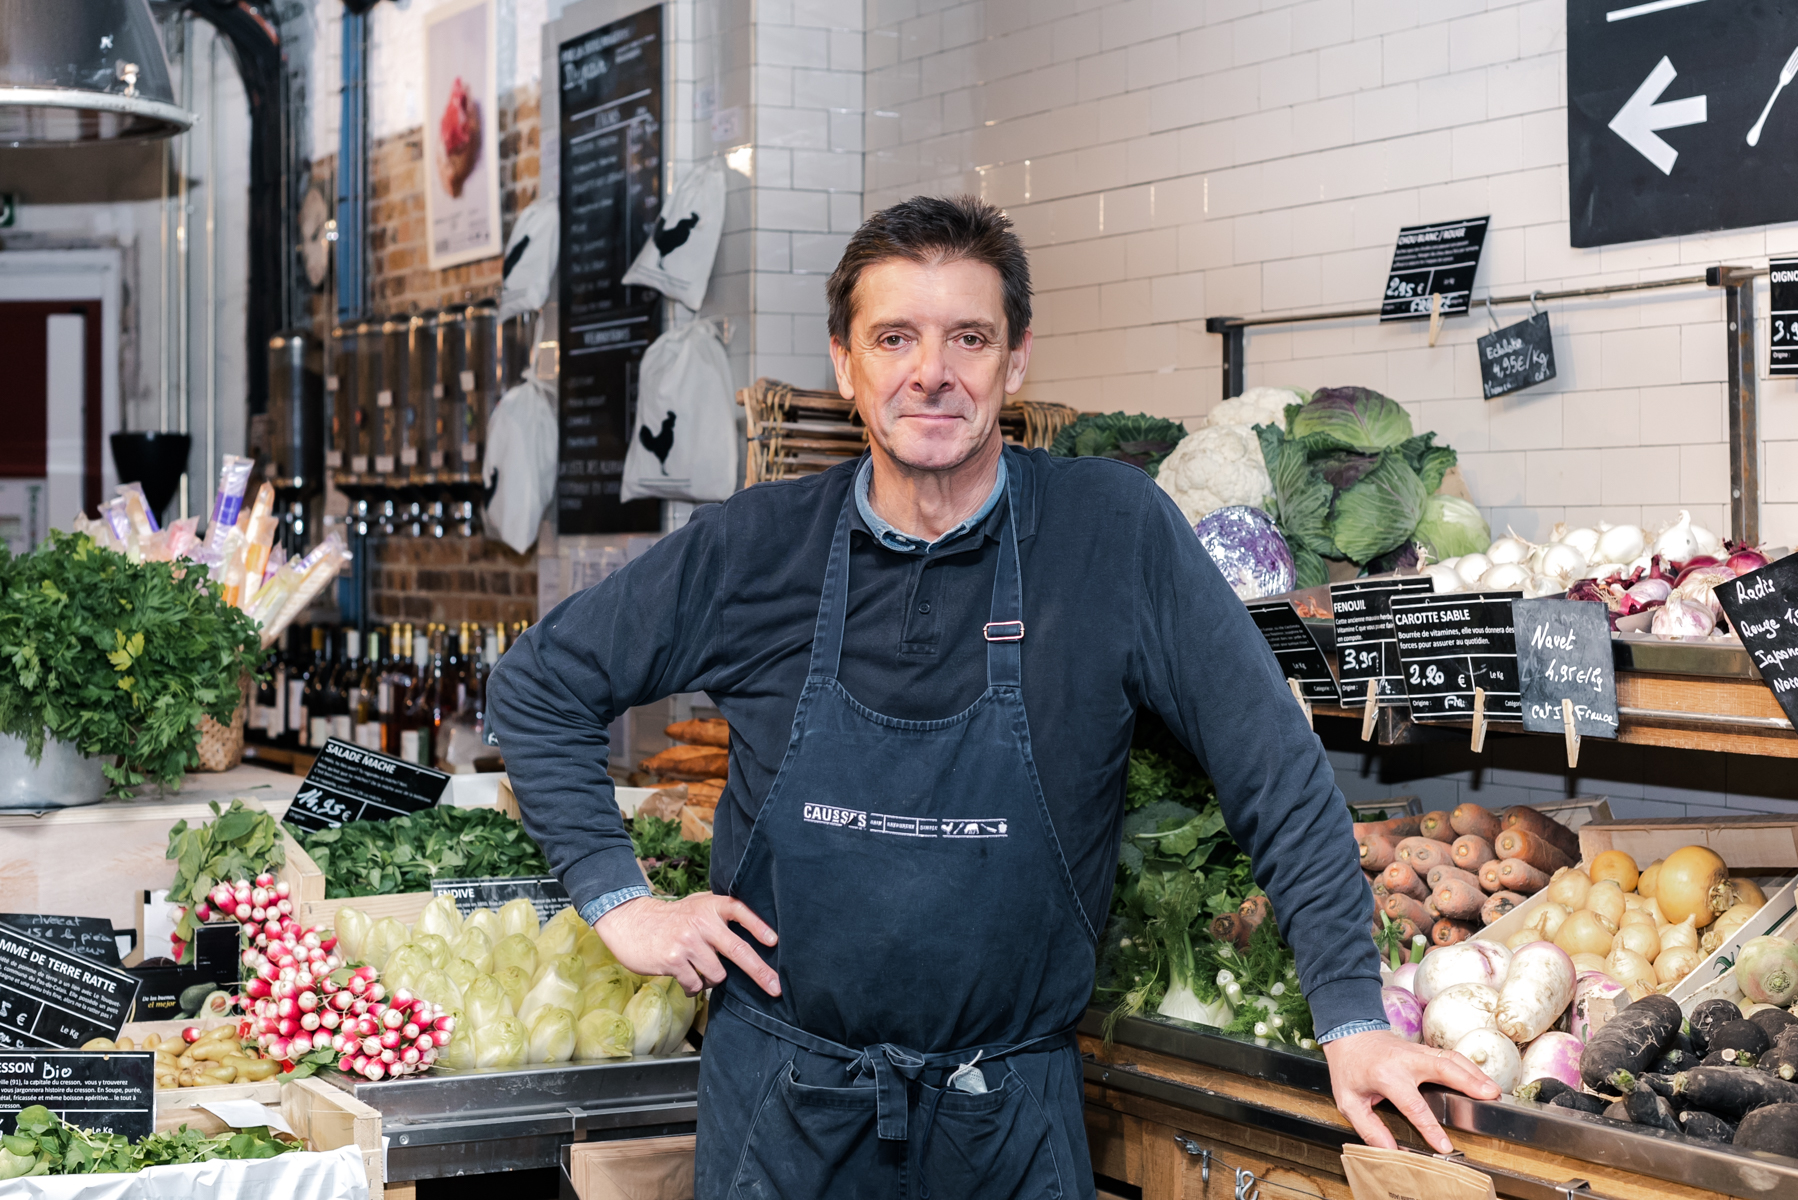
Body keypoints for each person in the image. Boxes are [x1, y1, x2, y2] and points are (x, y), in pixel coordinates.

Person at [487, 194, 1498, 1199]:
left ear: (1013, 363)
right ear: (845, 364)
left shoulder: (1112, 534)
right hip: (784, 1117)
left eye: (967, 337)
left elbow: (1272, 769)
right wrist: (620, 901)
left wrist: (1352, 1018)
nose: (931, 372)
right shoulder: (757, 544)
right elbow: (539, 685)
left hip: (1007, 1123)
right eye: (894, 338)